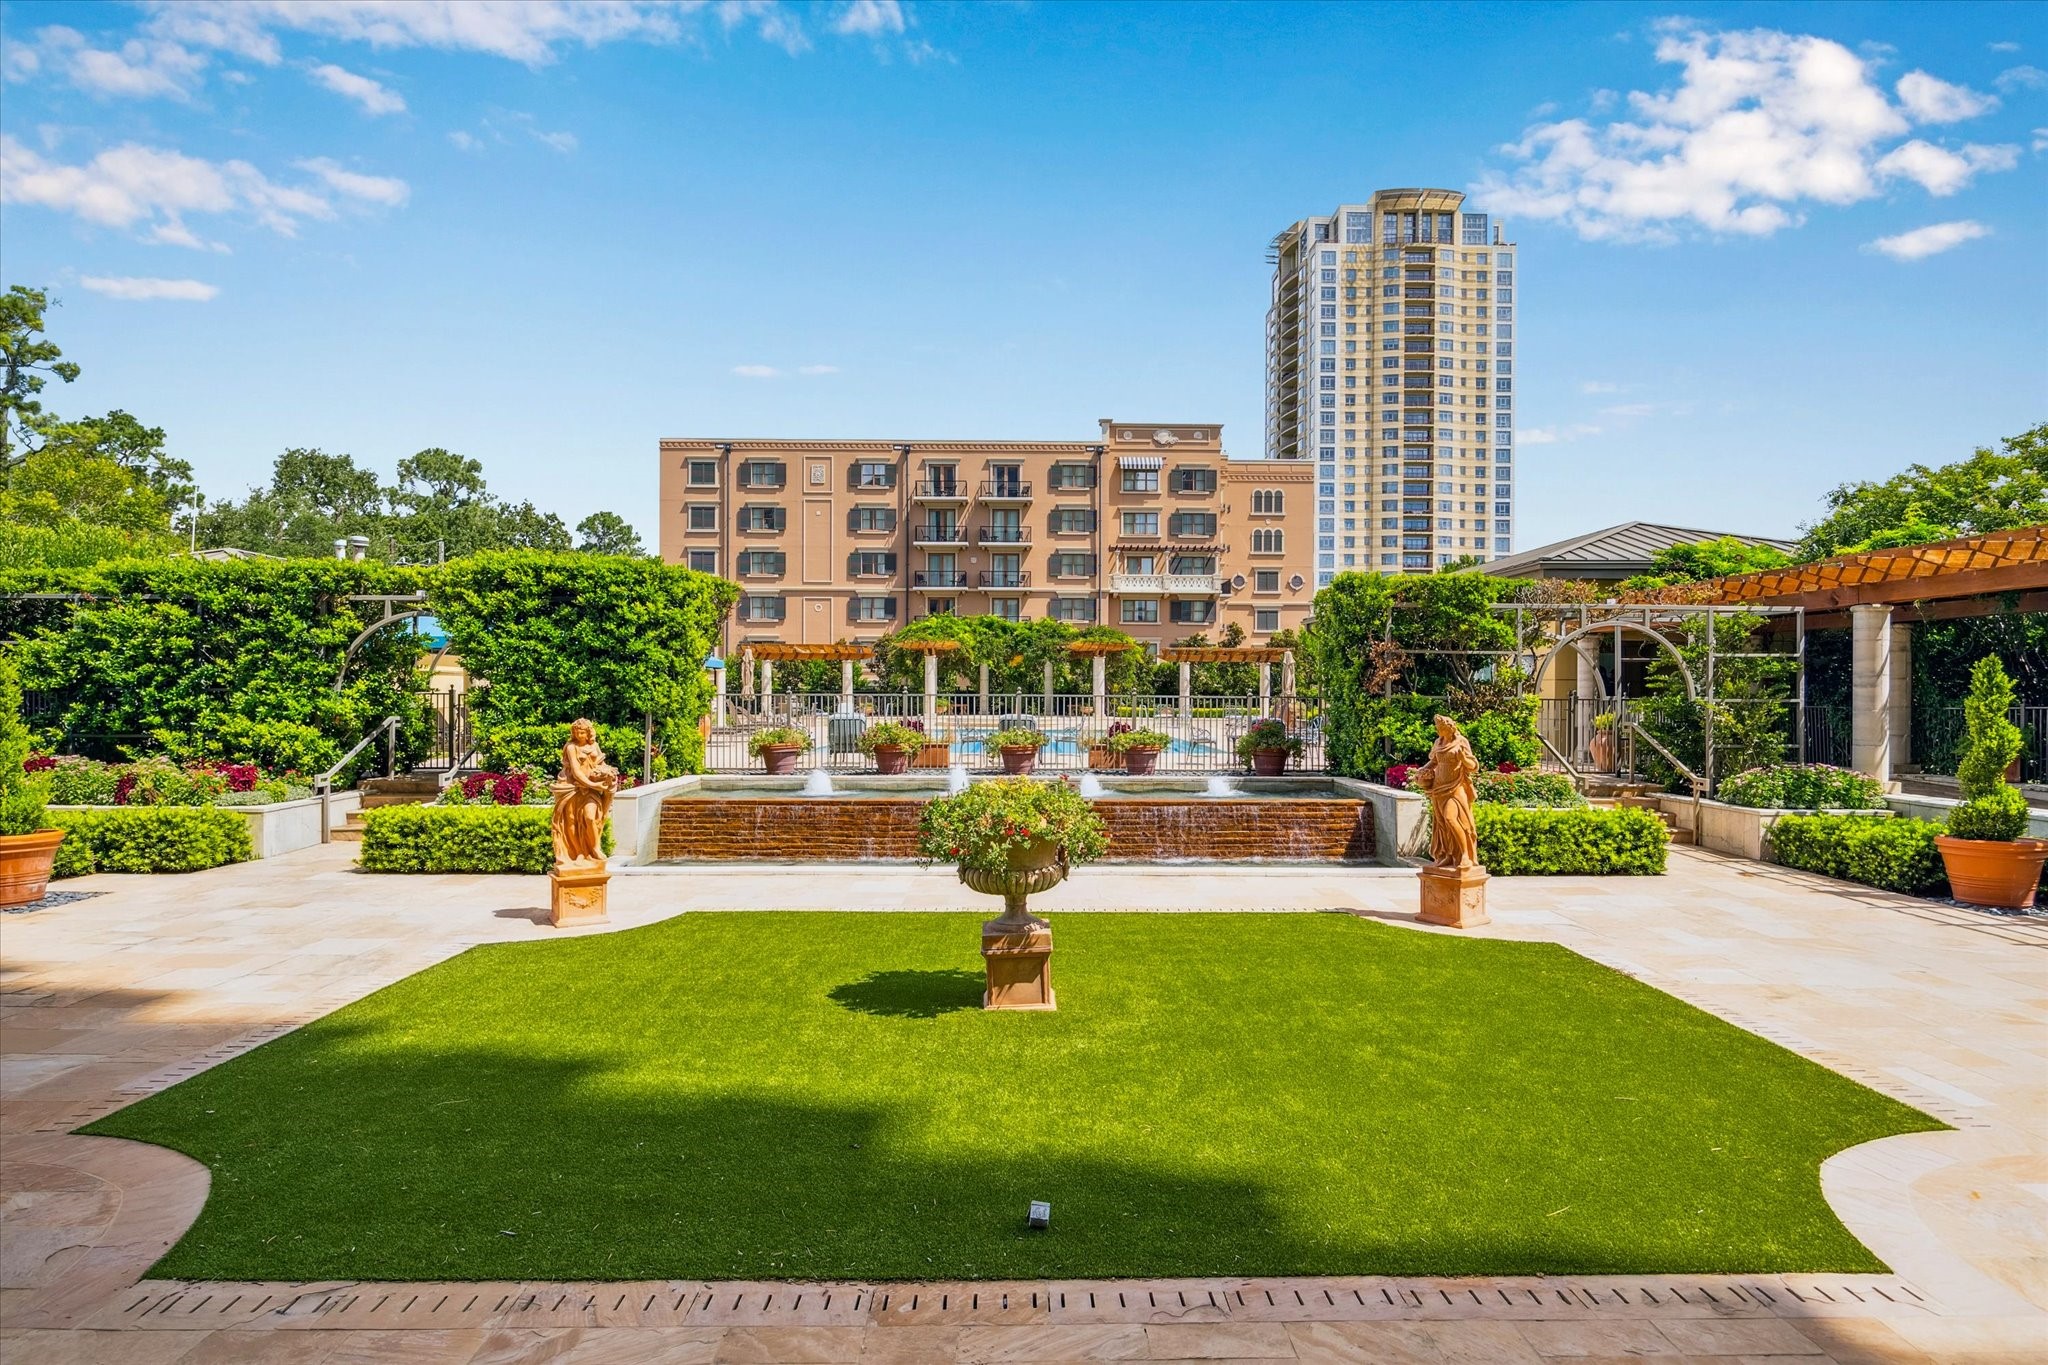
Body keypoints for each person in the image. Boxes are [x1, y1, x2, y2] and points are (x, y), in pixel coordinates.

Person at [1413, 714, 1479, 870]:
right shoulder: (1439, 742)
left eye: (1440, 727)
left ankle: (1464, 855)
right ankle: (1448, 856)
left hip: (1456, 787)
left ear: (1449, 728)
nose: (1437, 730)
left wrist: (1463, 758)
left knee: (1452, 818)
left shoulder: (1461, 742)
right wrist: (1423, 769)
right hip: (1438, 788)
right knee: (1442, 825)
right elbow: (1435, 761)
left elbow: (1473, 766)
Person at [551, 718, 618, 868]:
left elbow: (601, 764)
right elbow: (576, 772)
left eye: (582, 732)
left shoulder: (595, 746)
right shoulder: (571, 747)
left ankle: (594, 848)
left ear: (588, 733)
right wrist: (594, 784)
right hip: (573, 787)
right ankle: (575, 852)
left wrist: (608, 773)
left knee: (589, 817)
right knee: (571, 821)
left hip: (591, 790)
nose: (579, 735)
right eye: (576, 732)